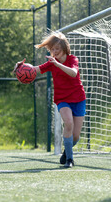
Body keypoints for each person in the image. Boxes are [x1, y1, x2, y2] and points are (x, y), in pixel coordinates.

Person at [14, 32, 86, 168]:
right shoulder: (51, 63)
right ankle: (70, 160)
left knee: (75, 136)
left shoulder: (72, 59)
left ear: (64, 48)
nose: (54, 51)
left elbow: (73, 73)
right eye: (52, 49)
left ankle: (67, 151)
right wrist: (19, 68)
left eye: (57, 49)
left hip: (78, 98)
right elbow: (34, 70)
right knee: (68, 123)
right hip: (62, 99)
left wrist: (57, 64)